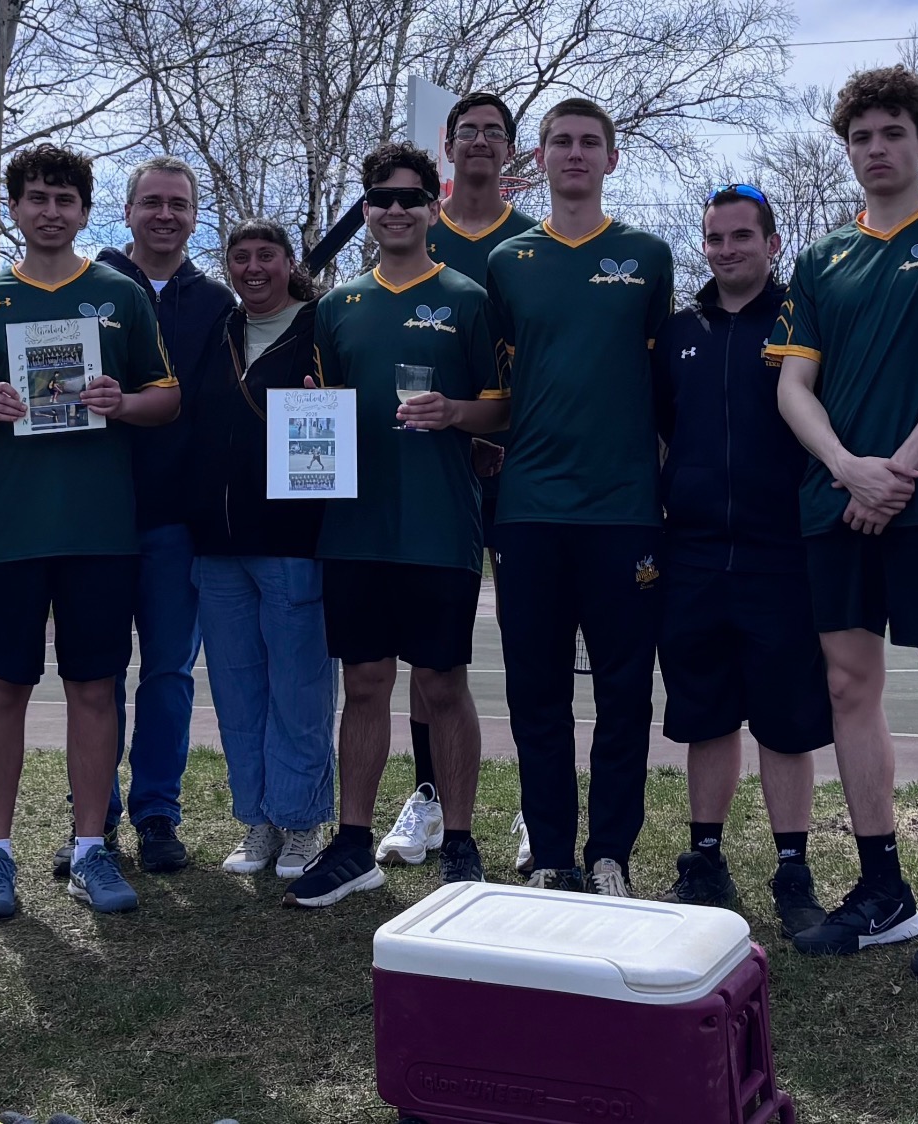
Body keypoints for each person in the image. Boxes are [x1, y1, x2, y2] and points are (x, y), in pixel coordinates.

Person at [769, 66, 918, 975]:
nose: (875, 150)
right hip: (840, 501)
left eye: (891, 133)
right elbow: (795, 385)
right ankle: (885, 891)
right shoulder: (822, 256)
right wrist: (846, 470)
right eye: (860, 137)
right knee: (848, 690)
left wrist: (899, 471)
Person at [0, 145, 179, 920]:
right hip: (13, 533)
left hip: (101, 532)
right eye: (37, 197)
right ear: (15, 207)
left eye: (65, 199)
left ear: (86, 211)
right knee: (5, 687)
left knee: (92, 687)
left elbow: (166, 400)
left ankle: (90, 849)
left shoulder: (120, 295)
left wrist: (122, 400)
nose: (51, 211)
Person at [281, 142, 509, 908]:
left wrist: (454, 414)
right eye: (382, 198)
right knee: (366, 682)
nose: (396, 210)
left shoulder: (468, 298)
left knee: (443, 684)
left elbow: (503, 409)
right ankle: (353, 846)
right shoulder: (336, 307)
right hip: (355, 530)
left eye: (412, 197)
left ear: (433, 205)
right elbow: (322, 413)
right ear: (368, 210)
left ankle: (461, 843)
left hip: (440, 527)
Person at [484, 97, 673, 896]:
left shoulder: (648, 256)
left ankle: (611, 856)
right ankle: (554, 853)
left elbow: (667, 392)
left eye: (589, 142)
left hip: (625, 510)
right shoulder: (507, 262)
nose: (574, 154)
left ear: (612, 158)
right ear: (539, 157)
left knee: (625, 694)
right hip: (528, 509)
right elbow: (494, 389)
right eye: (561, 141)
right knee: (537, 693)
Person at [35, 157, 234, 881]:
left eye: (178, 204)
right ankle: (94, 820)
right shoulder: (83, 288)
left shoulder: (217, 305)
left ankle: (157, 814)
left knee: (169, 676)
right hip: (93, 520)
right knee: (95, 677)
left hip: (177, 522)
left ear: (192, 215)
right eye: (151, 201)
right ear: (126, 210)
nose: (164, 214)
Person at [653, 184, 833, 936]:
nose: (727, 250)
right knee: (706, 715)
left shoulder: (800, 320)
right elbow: (661, 433)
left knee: (787, 723)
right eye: (715, 238)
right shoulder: (675, 332)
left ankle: (793, 869)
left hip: (782, 554)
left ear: (771, 243)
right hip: (692, 553)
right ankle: (705, 858)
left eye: (741, 237)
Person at [383, 91, 540, 878]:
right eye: (467, 130)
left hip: (518, 467)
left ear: (513, 152)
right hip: (429, 474)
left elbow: (537, 364)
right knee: (430, 650)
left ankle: (532, 802)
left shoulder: (536, 241)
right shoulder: (410, 226)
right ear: (446, 147)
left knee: (527, 636)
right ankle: (429, 794)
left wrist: (498, 433)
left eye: (495, 132)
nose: (480, 141)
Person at [189, 220, 337, 882]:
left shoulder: (322, 328)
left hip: (293, 543)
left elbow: (351, 419)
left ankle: (302, 823)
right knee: (238, 692)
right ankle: (258, 823)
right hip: (218, 547)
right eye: (240, 256)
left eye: (266, 256)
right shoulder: (217, 334)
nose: (253, 267)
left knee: (300, 692)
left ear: (288, 264)